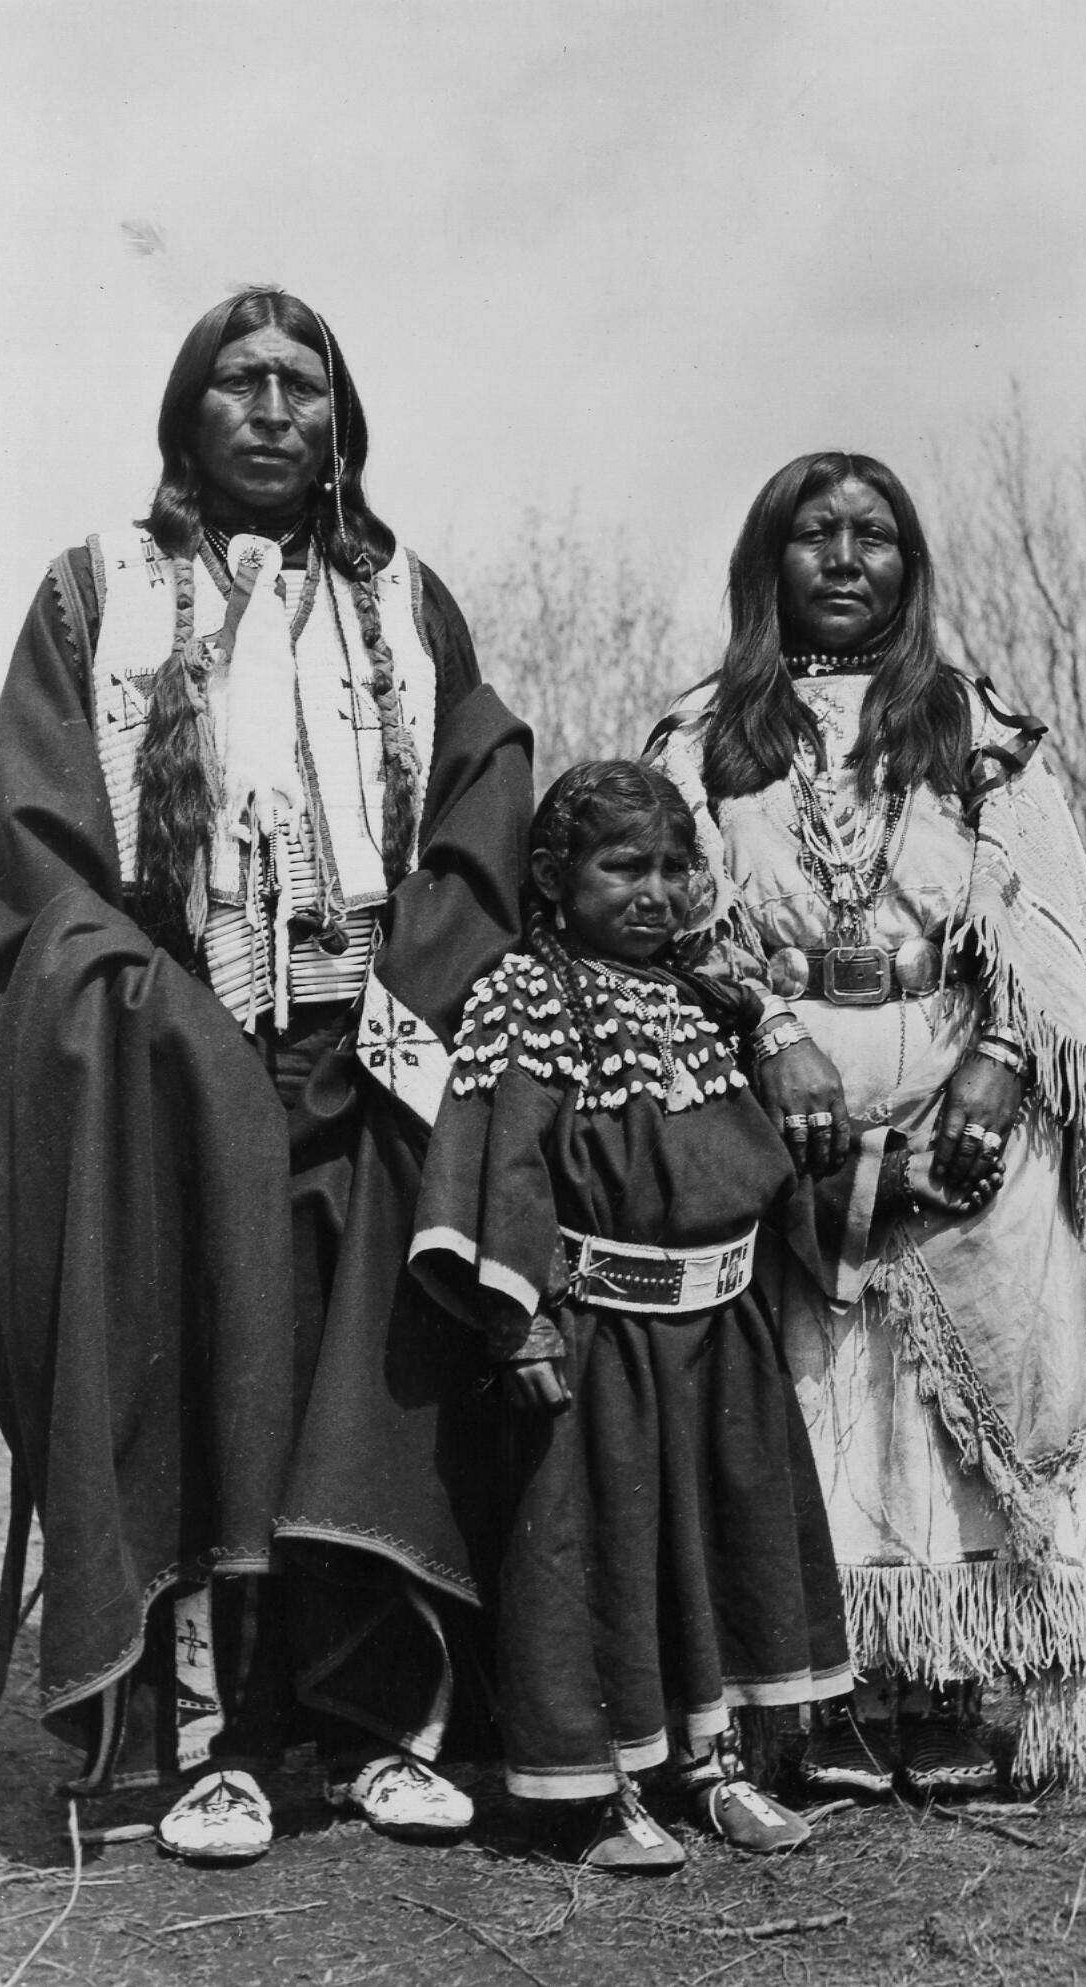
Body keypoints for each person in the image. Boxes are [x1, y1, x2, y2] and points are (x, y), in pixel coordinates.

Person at [0, 289, 532, 1861]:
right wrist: (156, 1015)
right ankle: (206, 1741)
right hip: (172, 1063)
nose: (276, 407)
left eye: (306, 383)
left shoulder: (407, 602)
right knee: (204, 1363)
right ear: (185, 414)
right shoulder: (97, 594)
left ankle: (373, 1727)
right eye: (242, 380)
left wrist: (410, 997)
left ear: (343, 423)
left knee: (374, 1374)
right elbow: (36, 853)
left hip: (376, 1057)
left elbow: (482, 794)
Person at [645, 452, 1086, 1797]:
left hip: (966, 1094)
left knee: (970, 1405)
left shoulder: (978, 726)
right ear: (769, 562)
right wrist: (765, 1026)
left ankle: (963, 1682)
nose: (844, 555)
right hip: (788, 1114)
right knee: (824, 1396)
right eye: (812, 533)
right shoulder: (703, 735)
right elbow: (656, 909)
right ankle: (829, 1690)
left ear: (909, 561)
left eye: (874, 533)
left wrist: (999, 1062)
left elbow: (1046, 919)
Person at [409, 760, 853, 1871]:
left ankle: (711, 1767)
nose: (652, 891)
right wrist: (524, 1322)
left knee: (715, 1543)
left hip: (722, 1338)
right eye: (622, 867)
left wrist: (871, 1180)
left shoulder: (713, 998)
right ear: (556, 879)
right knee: (597, 1548)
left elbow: (765, 1161)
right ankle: (596, 1789)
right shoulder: (529, 995)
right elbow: (500, 1165)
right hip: (600, 1338)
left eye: (671, 868)